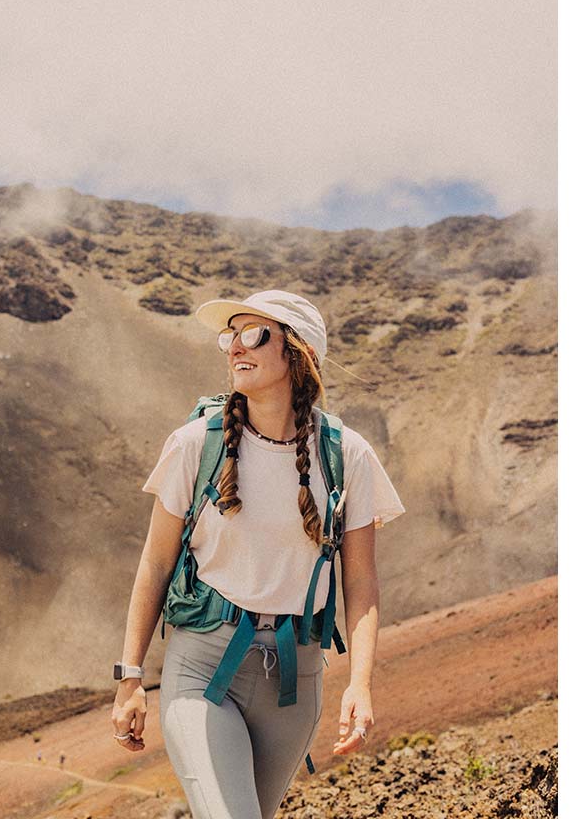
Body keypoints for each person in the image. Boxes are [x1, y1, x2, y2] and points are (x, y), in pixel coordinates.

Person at [111, 290, 404, 819]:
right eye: (230, 336)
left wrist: (360, 684)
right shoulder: (194, 444)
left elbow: (361, 581)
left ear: (299, 353)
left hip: (295, 684)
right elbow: (154, 564)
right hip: (202, 668)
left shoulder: (347, 455)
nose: (234, 347)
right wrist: (130, 676)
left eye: (253, 334)